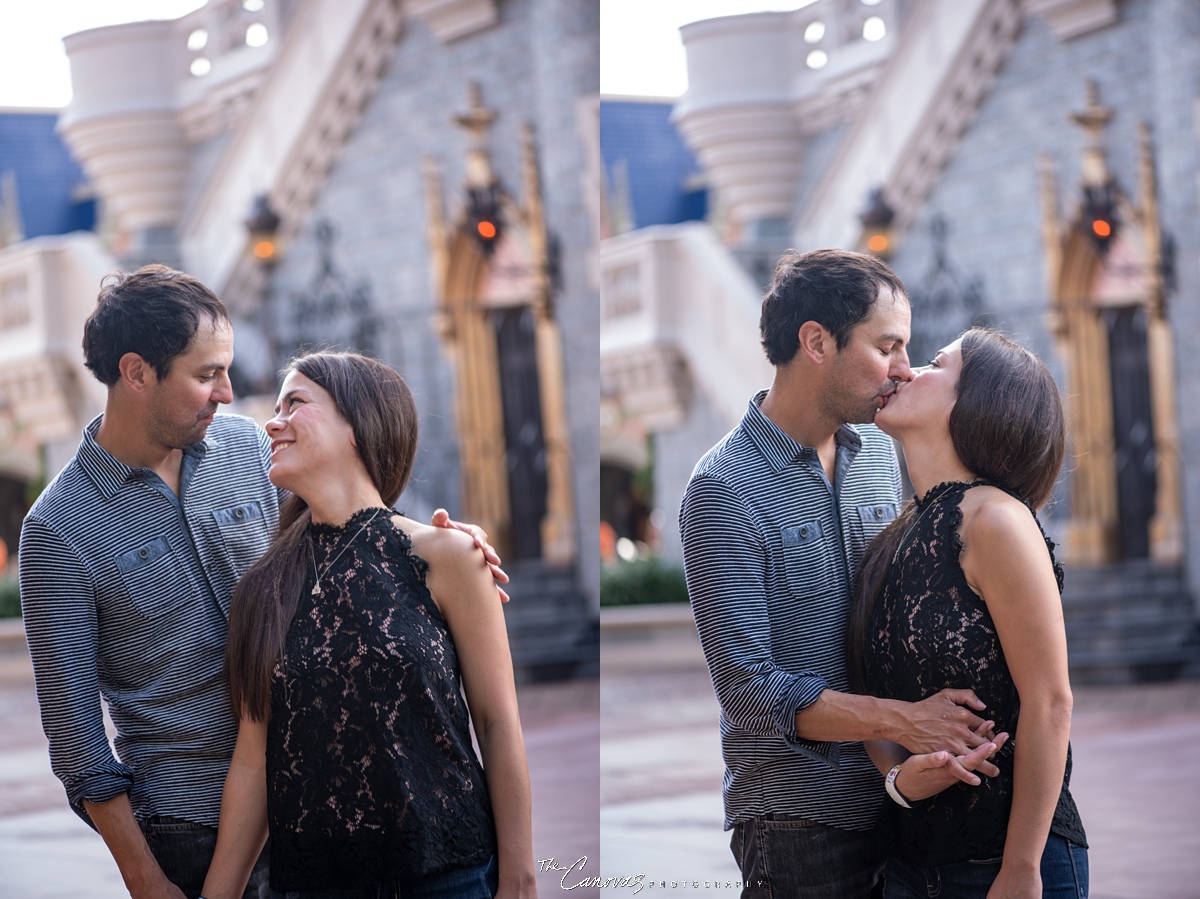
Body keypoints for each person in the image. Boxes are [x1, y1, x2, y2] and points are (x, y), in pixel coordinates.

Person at [18, 265, 505, 899]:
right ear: (136, 373)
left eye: (225, 370)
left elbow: (355, 533)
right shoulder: (56, 527)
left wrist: (446, 544)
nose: (226, 392)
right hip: (189, 823)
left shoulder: (254, 450)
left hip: (321, 804)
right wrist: (145, 880)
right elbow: (76, 737)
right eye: (205, 374)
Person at [679, 248, 1002, 899]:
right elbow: (747, 688)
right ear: (817, 342)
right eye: (887, 346)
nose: (904, 370)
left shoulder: (885, 452)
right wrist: (903, 718)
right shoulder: (722, 488)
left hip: (911, 799)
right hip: (800, 823)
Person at [198, 351, 536, 899]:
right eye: (276, 405)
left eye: (296, 403)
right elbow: (253, 756)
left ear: (358, 426)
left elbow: (498, 724)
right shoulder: (262, 588)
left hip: (447, 877)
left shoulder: (450, 556)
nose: (272, 421)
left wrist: (520, 879)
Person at [845, 329, 1088, 899]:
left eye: (935, 363)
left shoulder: (995, 521)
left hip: (1007, 862)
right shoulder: (895, 537)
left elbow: (1051, 701)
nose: (903, 371)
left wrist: (1022, 869)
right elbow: (869, 690)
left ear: (978, 402)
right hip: (909, 869)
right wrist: (900, 781)